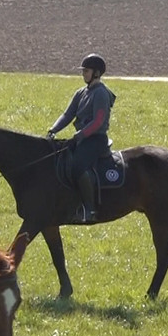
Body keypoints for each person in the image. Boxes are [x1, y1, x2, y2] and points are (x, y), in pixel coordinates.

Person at [46, 53, 116, 223]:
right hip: (83, 138)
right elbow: (67, 114)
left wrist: (80, 135)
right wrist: (53, 130)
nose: (83, 73)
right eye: (83, 70)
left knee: (78, 166)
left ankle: (90, 210)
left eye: (87, 71)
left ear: (96, 73)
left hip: (95, 139)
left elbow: (98, 121)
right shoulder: (81, 92)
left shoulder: (100, 93)